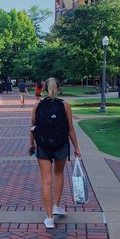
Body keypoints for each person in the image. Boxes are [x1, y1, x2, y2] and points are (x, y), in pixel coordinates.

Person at [29, 77, 81, 229]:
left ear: (44, 89)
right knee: (58, 174)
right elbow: (70, 128)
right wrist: (76, 148)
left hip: (43, 147)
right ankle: (56, 206)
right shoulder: (65, 106)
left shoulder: (37, 106)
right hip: (61, 146)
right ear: (58, 89)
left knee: (46, 181)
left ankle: (49, 218)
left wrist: (31, 145)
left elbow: (33, 127)